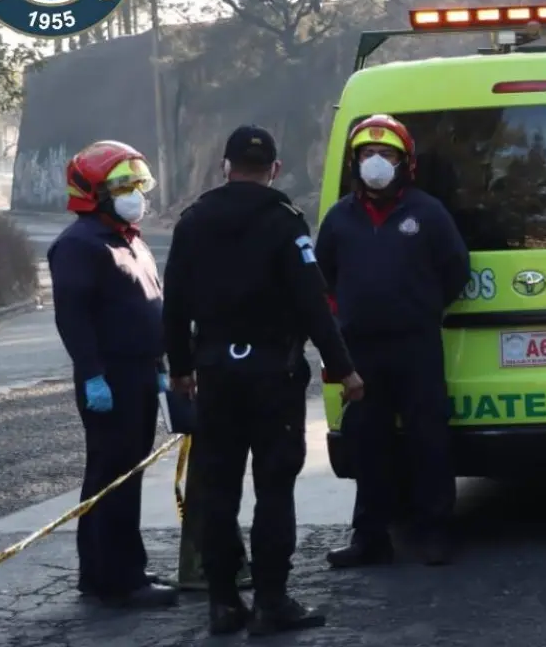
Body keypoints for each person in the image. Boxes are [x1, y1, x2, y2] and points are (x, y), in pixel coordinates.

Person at [162, 125, 364, 636]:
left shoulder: (192, 222)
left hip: (215, 376)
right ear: (274, 169)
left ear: (224, 166)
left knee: (217, 487)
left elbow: (175, 306)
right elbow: (314, 306)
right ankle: (272, 601)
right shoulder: (284, 222)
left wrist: (181, 368)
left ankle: (224, 603)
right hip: (274, 375)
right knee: (274, 487)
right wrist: (344, 369)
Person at [318, 115, 471, 569]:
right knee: (368, 444)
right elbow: (321, 277)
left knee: (429, 439)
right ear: (355, 162)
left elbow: (456, 271)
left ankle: (435, 532)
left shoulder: (427, 212)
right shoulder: (339, 218)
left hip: (417, 345)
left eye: (387, 155)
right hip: (360, 352)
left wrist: (422, 307)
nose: (377, 163)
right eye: (368, 155)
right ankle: (369, 538)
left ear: (405, 163)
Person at [47, 140, 179, 609]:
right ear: (93, 191)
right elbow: (73, 318)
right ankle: (119, 581)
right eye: (122, 184)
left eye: (137, 183)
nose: (135, 192)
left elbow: (149, 306)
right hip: (110, 379)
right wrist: (92, 376)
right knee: (112, 477)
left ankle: (114, 569)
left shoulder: (129, 238)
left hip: (141, 373)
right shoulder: (78, 245)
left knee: (127, 474)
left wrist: (160, 366)